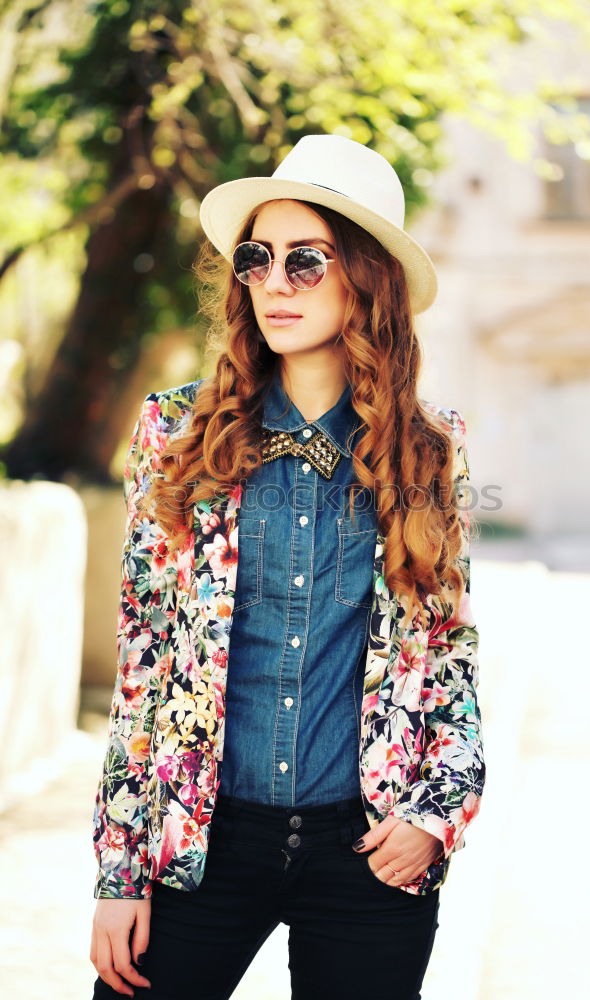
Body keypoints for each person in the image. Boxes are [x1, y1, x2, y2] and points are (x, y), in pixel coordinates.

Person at [89, 133, 485, 1000]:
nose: (272, 282)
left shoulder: (428, 451)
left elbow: (449, 664)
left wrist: (435, 817)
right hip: (199, 847)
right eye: (255, 258)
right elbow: (145, 659)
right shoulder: (175, 437)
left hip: (369, 854)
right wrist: (121, 872)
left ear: (366, 278)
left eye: (306, 261)